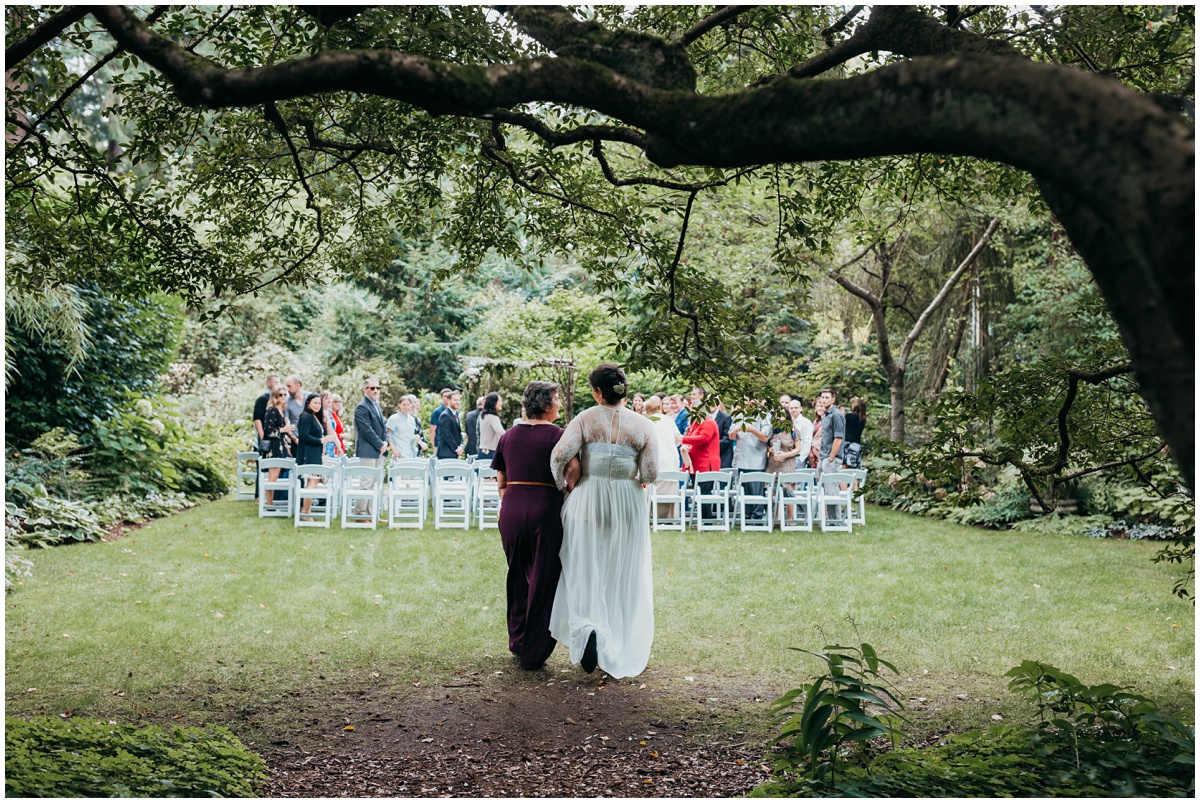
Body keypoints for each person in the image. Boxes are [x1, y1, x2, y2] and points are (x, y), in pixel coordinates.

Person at [549, 363, 659, 678]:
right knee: (623, 568)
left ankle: (588, 629)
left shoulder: (585, 418)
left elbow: (559, 455)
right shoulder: (643, 425)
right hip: (626, 501)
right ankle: (617, 640)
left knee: (584, 563)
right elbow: (650, 473)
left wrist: (565, 486)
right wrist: (631, 475)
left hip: (588, 497)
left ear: (598, 392)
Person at [491, 381, 566, 671]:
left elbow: (501, 479)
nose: (559, 404)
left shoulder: (508, 437)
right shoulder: (559, 436)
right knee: (543, 578)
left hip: (511, 508)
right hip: (545, 509)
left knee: (518, 574)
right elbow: (570, 475)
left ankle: (518, 640)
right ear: (546, 405)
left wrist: (513, 499)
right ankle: (533, 652)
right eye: (557, 400)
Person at [353, 377, 390, 515]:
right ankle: (360, 513)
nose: (375, 391)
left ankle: (371, 513)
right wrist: (380, 444)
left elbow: (383, 425)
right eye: (372, 388)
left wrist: (386, 441)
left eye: (377, 388)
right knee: (366, 482)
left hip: (380, 449)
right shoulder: (362, 406)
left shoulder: (376, 404)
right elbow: (366, 430)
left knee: (376, 482)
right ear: (365, 389)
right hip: (368, 450)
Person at [680, 392, 720, 519]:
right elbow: (692, 438)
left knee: (704, 493)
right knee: (698, 492)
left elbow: (704, 438)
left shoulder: (708, 422)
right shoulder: (695, 423)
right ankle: (701, 519)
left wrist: (683, 439)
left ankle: (706, 520)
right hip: (695, 463)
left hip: (705, 464)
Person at [730, 401, 772, 519]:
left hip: (757, 459)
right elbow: (731, 435)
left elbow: (765, 437)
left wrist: (752, 430)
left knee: (756, 491)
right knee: (744, 490)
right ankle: (746, 515)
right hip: (742, 458)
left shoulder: (764, 416)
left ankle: (757, 516)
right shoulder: (739, 415)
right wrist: (734, 432)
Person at [644, 395, 683, 520]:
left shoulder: (649, 421)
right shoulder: (669, 420)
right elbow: (678, 440)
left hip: (657, 459)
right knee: (670, 488)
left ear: (648, 410)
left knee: (653, 488)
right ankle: (670, 518)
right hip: (672, 459)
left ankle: (651, 516)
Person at [297, 393, 335, 515]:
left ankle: (306, 509)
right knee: (312, 482)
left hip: (316, 454)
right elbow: (304, 436)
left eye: (319, 403)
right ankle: (305, 512)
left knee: (313, 482)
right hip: (309, 454)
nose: (318, 405)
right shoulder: (307, 417)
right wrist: (321, 440)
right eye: (315, 403)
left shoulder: (315, 417)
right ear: (308, 403)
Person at [261, 388, 293, 506]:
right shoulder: (272, 410)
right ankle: (269, 504)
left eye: (285, 395)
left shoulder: (282, 411)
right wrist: (283, 430)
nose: (283, 397)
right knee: (272, 477)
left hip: (280, 446)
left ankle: (271, 503)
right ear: (275, 396)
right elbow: (268, 430)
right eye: (280, 395)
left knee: (275, 476)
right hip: (273, 447)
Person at [478, 392, 506, 463]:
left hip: (482, 450)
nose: (501, 403)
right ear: (493, 403)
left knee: (482, 473)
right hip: (491, 451)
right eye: (499, 401)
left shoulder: (483, 416)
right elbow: (502, 433)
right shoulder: (493, 418)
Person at [436, 390, 465, 459]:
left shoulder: (456, 414)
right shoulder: (445, 415)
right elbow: (446, 434)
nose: (457, 402)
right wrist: (456, 448)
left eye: (458, 400)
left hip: (453, 453)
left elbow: (458, 433)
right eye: (455, 400)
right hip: (446, 453)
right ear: (448, 401)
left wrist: (461, 445)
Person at [843, 397, 866, 469]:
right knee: (852, 471)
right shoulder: (862, 419)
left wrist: (842, 414)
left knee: (844, 469)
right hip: (856, 445)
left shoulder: (849, 416)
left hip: (848, 445)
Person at [789, 398, 814, 465]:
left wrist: (801, 458)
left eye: (796, 408)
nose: (793, 410)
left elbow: (807, 441)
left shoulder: (806, 423)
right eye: (791, 408)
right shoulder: (787, 422)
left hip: (799, 457)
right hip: (787, 457)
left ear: (801, 409)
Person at [284, 375, 305, 454]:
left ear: (298, 386)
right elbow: (287, 424)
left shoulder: (309, 398)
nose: (287, 390)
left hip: (312, 439)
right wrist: (295, 440)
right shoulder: (287, 402)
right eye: (287, 387)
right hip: (296, 440)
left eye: (289, 386)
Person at [429, 388, 453, 453]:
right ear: (441, 398)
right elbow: (432, 430)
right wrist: (434, 445)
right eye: (445, 396)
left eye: (449, 396)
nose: (447, 398)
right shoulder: (437, 412)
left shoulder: (454, 411)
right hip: (440, 445)